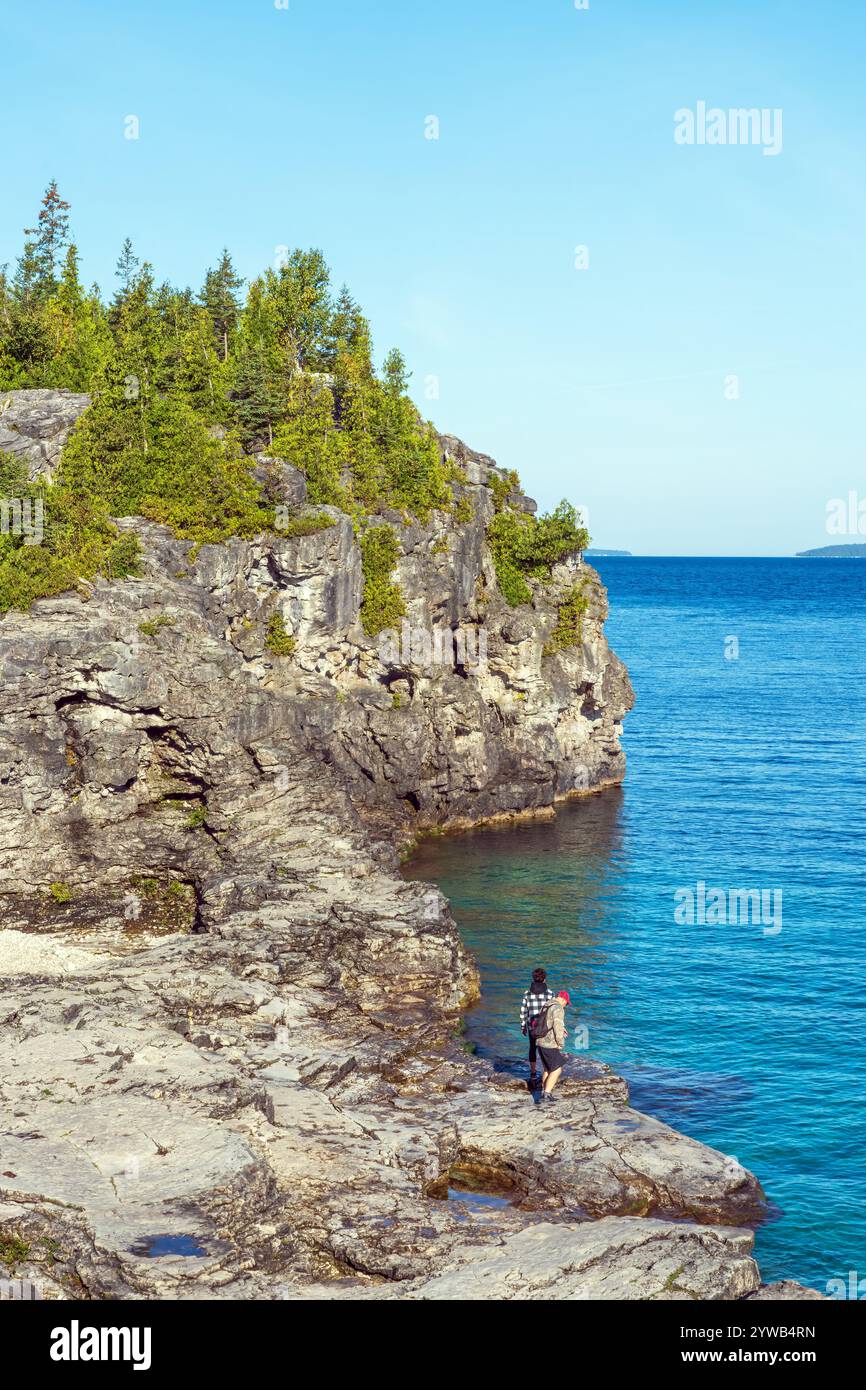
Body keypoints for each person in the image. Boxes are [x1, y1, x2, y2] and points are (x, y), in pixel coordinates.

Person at [519, 968, 554, 1085]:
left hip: (532, 1026)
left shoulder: (527, 993)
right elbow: (552, 1011)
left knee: (532, 1048)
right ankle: (546, 1073)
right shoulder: (550, 993)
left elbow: (523, 1011)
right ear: (545, 979)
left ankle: (533, 1073)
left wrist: (523, 1026)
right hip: (545, 1027)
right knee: (544, 1049)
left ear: (533, 978)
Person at [535, 990, 570, 1100]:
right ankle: (546, 1094)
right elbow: (557, 1026)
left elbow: (546, 1022)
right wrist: (560, 1043)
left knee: (547, 1068)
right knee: (557, 1069)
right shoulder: (558, 1008)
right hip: (549, 1043)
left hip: (540, 1041)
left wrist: (562, 1028)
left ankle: (543, 1091)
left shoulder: (547, 1005)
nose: (566, 1005)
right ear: (563, 999)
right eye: (566, 1003)